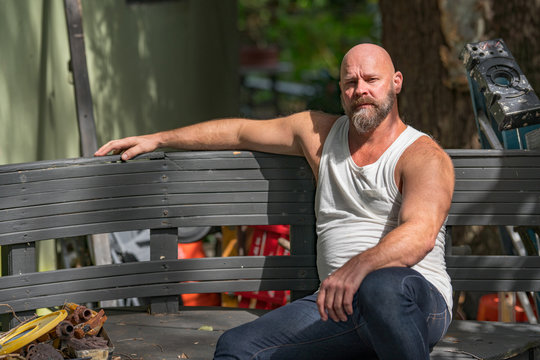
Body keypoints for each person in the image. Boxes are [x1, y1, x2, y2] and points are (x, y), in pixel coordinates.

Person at [95, 43, 454, 359]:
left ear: (396, 82)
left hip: (413, 305)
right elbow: (238, 131)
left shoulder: (422, 156)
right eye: (350, 82)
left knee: (382, 286)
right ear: (341, 90)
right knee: (237, 348)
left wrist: (359, 267)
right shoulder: (318, 134)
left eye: (371, 80)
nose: (360, 90)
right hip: (338, 307)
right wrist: (160, 139)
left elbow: (420, 233)